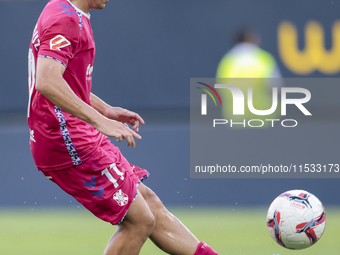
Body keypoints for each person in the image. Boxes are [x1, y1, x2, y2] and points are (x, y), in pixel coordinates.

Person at [27, 0, 219, 254]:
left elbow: (66, 80)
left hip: (77, 133)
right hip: (65, 139)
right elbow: (47, 80)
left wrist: (105, 109)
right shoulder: (66, 20)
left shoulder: (65, 10)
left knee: (149, 205)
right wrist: (100, 120)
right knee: (140, 221)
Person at [216, 27, 282, 126]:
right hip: (264, 119)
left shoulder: (227, 62)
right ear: (248, 37)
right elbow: (276, 89)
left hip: (236, 119)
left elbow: (221, 89)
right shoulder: (263, 59)